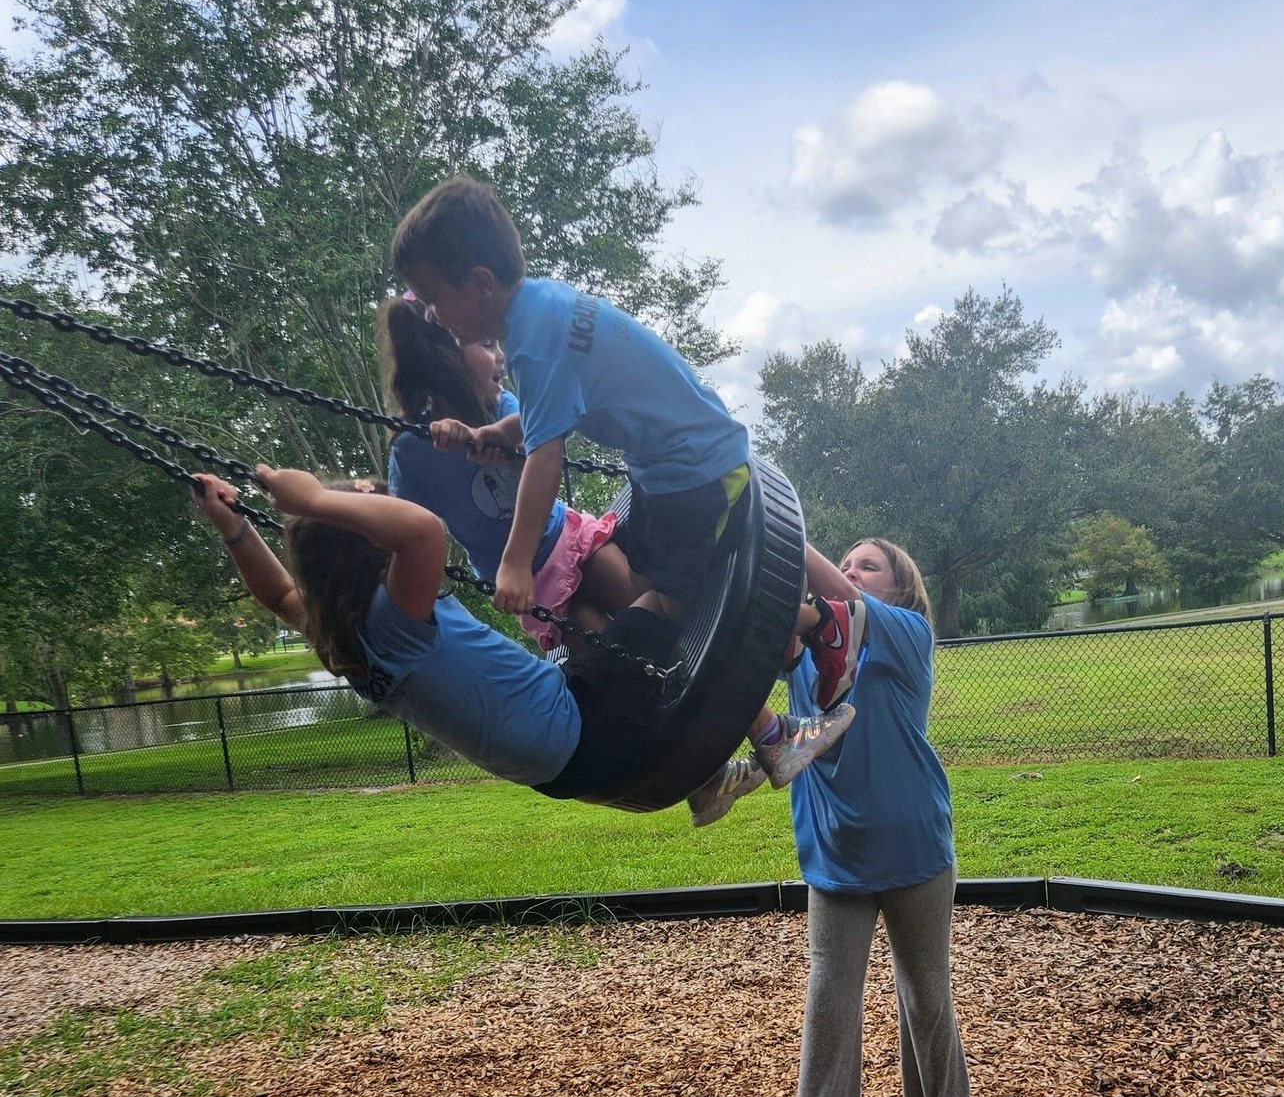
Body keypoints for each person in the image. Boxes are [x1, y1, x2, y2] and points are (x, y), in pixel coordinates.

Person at [189, 472, 852, 818]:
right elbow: (423, 529)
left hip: (564, 758)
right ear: (363, 549)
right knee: (666, 602)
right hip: (581, 728)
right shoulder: (391, 616)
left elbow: (280, 597)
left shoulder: (350, 636)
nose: (367, 491)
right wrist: (311, 498)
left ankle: (708, 779)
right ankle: (788, 706)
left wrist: (233, 528)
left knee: (599, 622)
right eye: (359, 499)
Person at [389, 177, 752, 630]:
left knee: (688, 618)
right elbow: (555, 406)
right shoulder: (543, 307)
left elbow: (546, 458)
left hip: (694, 472)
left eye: (434, 299)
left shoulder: (532, 348)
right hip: (676, 463)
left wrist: (516, 563)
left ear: (480, 283)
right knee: (654, 591)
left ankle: (812, 623)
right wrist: (500, 433)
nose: (431, 315)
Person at [761, 538, 985, 1097]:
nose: (853, 572)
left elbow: (845, 602)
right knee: (830, 1004)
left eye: (868, 565)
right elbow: (783, 726)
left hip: (914, 843)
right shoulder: (809, 647)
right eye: (848, 560)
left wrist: (772, 522)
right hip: (836, 854)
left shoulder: (904, 633)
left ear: (899, 589)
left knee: (926, 989)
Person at [377, 296, 631, 653]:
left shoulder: (502, 407)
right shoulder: (413, 448)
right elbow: (405, 523)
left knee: (636, 599)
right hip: (529, 583)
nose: (500, 355)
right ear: (445, 355)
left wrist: (506, 446)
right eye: (486, 344)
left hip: (565, 538)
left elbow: (544, 440)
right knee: (603, 648)